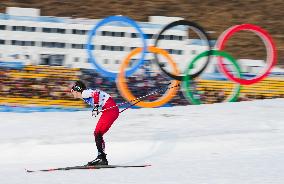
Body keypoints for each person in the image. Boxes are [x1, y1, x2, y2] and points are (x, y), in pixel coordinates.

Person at [70, 80, 119, 166]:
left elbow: (96, 93)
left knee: (97, 133)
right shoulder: (84, 95)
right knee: (98, 134)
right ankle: (102, 157)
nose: (71, 92)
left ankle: (101, 158)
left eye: (72, 90)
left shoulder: (84, 93)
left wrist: (96, 107)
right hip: (110, 109)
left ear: (77, 89)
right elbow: (99, 95)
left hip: (110, 109)